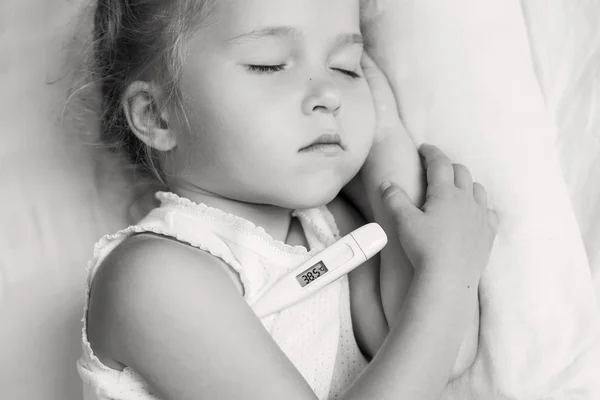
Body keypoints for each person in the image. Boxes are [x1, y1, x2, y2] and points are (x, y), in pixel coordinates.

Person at [76, 0, 499, 399]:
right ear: (156, 114)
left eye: (347, 68)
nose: (329, 94)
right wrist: (447, 270)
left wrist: (383, 140)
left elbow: (444, 351)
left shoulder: (327, 229)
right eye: (269, 64)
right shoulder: (152, 277)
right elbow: (437, 315)